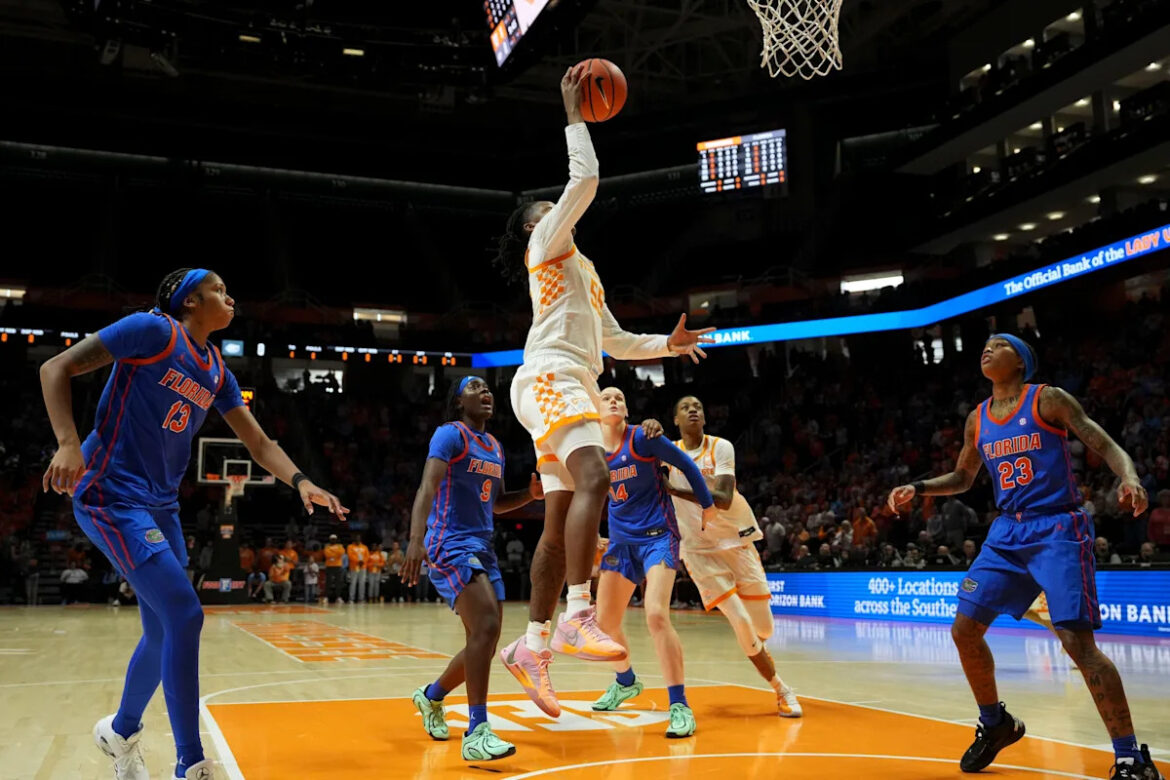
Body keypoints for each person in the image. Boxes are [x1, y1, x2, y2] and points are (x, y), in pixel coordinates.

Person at [39, 268, 348, 780]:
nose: (230, 296)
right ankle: (190, 762)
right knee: (185, 615)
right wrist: (69, 443)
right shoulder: (152, 330)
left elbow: (258, 443)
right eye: (219, 289)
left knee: (163, 630)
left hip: (161, 506)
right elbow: (55, 368)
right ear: (188, 300)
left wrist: (301, 481)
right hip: (111, 493)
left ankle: (120, 731)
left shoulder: (216, 370)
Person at [495, 65, 714, 715]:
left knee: (558, 523)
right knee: (596, 475)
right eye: (549, 206)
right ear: (535, 224)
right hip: (551, 376)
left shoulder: (584, 270)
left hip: (571, 381)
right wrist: (574, 114)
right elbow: (585, 179)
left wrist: (667, 345)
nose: (557, 208)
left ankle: (532, 645)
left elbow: (615, 341)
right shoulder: (545, 242)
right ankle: (577, 613)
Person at [887, 333, 1162, 779]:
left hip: (1057, 528)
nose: (987, 348)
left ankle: (1131, 757)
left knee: (1077, 644)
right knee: (964, 630)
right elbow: (963, 476)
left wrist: (1129, 477)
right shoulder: (978, 418)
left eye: (1000, 344)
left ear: (1020, 362)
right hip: (1007, 532)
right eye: (986, 344)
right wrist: (917, 487)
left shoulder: (1047, 399)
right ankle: (995, 723)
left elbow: (1103, 443)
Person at [402, 377, 542, 761]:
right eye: (475, 387)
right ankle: (477, 732)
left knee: (484, 641)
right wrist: (415, 538)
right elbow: (427, 488)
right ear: (459, 401)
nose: (486, 392)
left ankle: (431, 696)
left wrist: (529, 496)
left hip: (482, 546)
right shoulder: (450, 434)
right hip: (449, 542)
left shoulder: (494, 445)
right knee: (487, 628)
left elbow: (496, 503)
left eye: (487, 388)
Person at [589, 387, 717, 738]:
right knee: (605, 623)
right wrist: (592, 531)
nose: (613, 400)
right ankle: (625, 681)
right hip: (621, 543)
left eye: (619, 397)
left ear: (626, 409)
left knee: (656, 614)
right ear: (596, 411)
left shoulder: (643, 438)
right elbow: (587, 495)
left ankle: (679, 705)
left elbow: (686, 464)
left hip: (658, 536)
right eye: (606, 397)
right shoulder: (593, 451)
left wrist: (707, 506)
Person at [665, 395, 802, 717]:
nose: (693, 410)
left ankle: (755, 646)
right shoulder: (667, 453)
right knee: (739, 620)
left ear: (704, 417)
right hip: (699, 550)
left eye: (698, 406)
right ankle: (781, 689)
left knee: (763, 629)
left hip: (736, 540)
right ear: (676, 420)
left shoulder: (721, 447)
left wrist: (675, 491)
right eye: (685, 407)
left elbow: (723, 498)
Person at [324, 534, 346, 603]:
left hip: (338, 566)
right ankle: (326, 597)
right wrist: (336, 554)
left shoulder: (340, 546)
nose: (333, 540)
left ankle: (338, 597)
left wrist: (332, 554)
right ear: (330, 540)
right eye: (332, 539)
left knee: (338, 582)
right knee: (328, 582)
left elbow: (341, 553)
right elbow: (327, 554)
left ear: (336, 540)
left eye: (334, 539)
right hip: (329, 566)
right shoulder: (327, 546)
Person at [347, 534, 369, 603]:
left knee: (362, 583)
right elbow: (350, 556)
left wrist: (363, 561)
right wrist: (358, 561)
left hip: (363, 567)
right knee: (353, 583)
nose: (357, 539)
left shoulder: (364, 547)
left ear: (360, 539)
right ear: (354, 539)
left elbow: (367, 556)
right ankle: (351, 598)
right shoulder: (350, 546)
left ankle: (361, 598)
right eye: (356, 538)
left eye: (359, 538)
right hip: (354, 567)